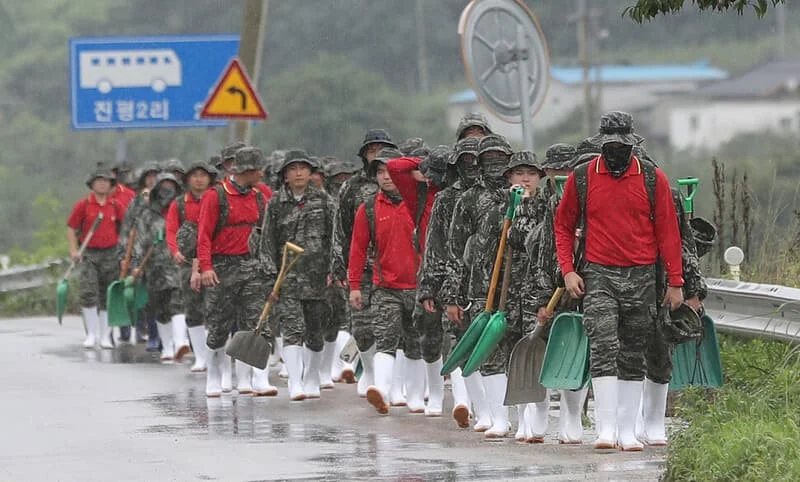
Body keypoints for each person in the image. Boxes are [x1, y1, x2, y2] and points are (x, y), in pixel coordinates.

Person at [554, 111, 684, 451]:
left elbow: (669, 232)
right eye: (609, 146)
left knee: (633, 351)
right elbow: (563, 225)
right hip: (598, 274)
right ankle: (606, 429)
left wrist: (675, 281)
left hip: (642, 274)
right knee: (603, 346)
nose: (615, 153)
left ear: (632, 146)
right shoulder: (582, 177)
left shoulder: (653, 178)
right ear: (601, 145)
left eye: (621, 146)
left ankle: (628, 431)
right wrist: (568, 269)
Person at [442, 134, 516, 438]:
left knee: (516, 353)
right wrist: (452, 296)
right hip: (480, 289)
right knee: (489, 354)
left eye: (501, 157)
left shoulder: (522, 196)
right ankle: (498, 416)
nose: (494, 164)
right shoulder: (468, 200)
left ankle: (524, 419)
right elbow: (455, 250)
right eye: (488, 158)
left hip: (518, 287)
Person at [197, 147, 275, 398]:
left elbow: (265, 237)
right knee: (218, 325)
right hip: (222, 268)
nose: (261, 173)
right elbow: (204, 236)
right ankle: (215, 376)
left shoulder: (259, 198)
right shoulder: (215, 196)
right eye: (257, 169)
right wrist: (206, 267)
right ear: (246, 171)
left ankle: (252, 378)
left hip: (252, 267)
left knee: (255, 323)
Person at [348, 147, 421, 414]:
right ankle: (382, 390)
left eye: (391, 171)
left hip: (418, 286)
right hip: (384, 287)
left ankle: (414, 396)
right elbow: (357, 248)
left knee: (415, 343)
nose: (386, 177)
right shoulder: (368, 208)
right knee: (385, 338)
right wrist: (354, 285)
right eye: (380, 172)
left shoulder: (419, 202)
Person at [527, 142, 592, 444]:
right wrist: (543, 300)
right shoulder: (545, 204)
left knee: (579, 353)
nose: (561, 176)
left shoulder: (589, 199)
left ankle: (572, 413)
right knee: (552, 351)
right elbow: (539, 252)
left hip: (588, 285)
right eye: (555, 172)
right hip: (552, 289)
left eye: (567, 170)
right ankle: (543, 410)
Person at [258, 150, 336, 401]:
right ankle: (295, 381)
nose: (299, 173)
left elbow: (335, 238)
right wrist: (270, 276)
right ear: (285, 175)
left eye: (304, 168)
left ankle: (312, 377)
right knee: (292, 329)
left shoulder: (323, 201)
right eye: (293, 169)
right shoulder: (275, 203)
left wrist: (336, 269)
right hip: (288, 278)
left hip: (317, 278)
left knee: (315, 332)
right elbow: (267, 242)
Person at [418, 137, 480, 428]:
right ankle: (462, 401)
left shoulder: (498, 194)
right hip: (450, 280)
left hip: (485, 280)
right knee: (456, 340)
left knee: (484, 343)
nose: (471, 166)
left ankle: (482, 405)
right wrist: (429, 286)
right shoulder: (446, 198)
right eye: (464, 161)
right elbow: (435, 245)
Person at [331, 128, 397, 397]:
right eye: (372, 151)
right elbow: (342, 228)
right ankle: (368, 372)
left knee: (392, 327)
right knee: (361, 326)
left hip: (393, 267)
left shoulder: (399, 182)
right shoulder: (352, 187)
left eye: (382, 149)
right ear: (364, 156)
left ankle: (391, 382)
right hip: (363, 268)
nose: (377, 155)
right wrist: (340, 265)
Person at [388, 145, 451, 417]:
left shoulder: (458, 194)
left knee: (459, 334)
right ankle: (434, 394)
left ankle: (463, 400)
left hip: (462, 269)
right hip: (430, 272)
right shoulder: (421, 195)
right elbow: (395, 168)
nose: (433, 178)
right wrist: (423, 164)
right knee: (428, 334)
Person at [503, 151, 547, 443]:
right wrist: (514, 208)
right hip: (510, 289)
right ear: (509, 177)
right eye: (519, 173)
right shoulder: (502, 206)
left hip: (539, 289)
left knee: (537, 351)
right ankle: (520, 417)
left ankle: (537, 415)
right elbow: (508, 240)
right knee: (513, 350)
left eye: (531, 173)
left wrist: (527, 207)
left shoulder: (548, 205)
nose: (526, 178)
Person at [130, 173, 190, 363]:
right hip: (155, 267)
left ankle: (181, 342)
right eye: (164, 185)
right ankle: (167, 346)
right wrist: (135, 263)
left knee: (178, 302)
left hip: (178, 264)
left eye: (171, 185)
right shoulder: (147, 213)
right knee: (160, 308)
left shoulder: (183, 209)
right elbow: (139, 240)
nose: (167, 189)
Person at [166, 161, 218, 372]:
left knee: (214, 309)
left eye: (203, 175)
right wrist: (175, 251)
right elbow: (171, 229)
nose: (198, 179)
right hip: (187, 264)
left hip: (213, 263)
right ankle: (200, 357)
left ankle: (215, 356)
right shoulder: (179, 204)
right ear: (188, 179)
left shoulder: (216, 200)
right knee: (193, 309)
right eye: (194, 175)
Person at [66, 163, 124, 349]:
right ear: (92, 184)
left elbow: (125, 230)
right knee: (89, 293)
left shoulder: (116, 206)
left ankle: (106, 335)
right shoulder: (83, 205)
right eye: (99, 181)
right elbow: (72, 228)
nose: (102, 184)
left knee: (108, 294)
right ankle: (91, 334)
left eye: (106, 181)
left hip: (111, 253)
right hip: (89, 253)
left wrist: (124, 255)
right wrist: (74, 250)